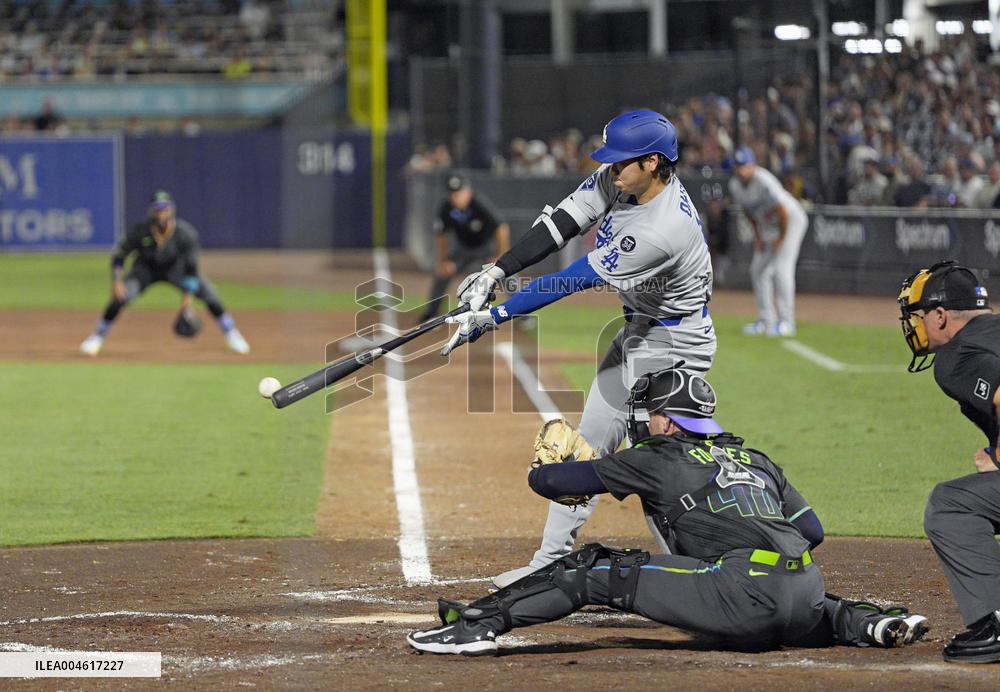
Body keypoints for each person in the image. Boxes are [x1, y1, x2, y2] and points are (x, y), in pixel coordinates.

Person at [407, 369, 928, 656]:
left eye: (651, 415)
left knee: (590, 568)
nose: (644, 423)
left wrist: (541, 466)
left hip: (741, 597)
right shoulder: (754, 457)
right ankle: (870, 624)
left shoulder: (658, 456)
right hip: (806, 593)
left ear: (671, 422)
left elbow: (554, 483)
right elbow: (810, 532)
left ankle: (477, 626)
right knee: (797, 592)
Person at [441, 110, 716, 588]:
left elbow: (574, 277)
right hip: (640, 333)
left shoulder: (662, 227)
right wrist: (496, 271)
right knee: (588, 448)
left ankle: (700, 576)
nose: (611, 170)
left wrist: (496, 315)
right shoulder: (626, 180)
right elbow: (561, 224)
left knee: (662, 463)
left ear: (653, 162)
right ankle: (548, 563)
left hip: (675, 343)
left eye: (621, 162)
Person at [898, 261, 1000, 663]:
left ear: (940, 315)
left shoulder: (958, 354)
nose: (915, 325)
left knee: (951, 505)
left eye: (919, 315)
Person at [79, 191, 250, 356]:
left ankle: (231, 333)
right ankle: (97, 336)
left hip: (176, 270)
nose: (161, 213)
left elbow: (191, 269)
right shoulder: (141, 231)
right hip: (144, 270)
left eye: (165, 208)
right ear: (151, 211)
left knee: (209, 294)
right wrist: (117, 282)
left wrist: (187, 303)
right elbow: (119, 255)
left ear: (172, 210)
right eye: (158, 208)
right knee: (120, 297)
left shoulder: (185, 234)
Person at [727, 146, 807, 337]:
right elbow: (748, 212)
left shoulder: (764, 180)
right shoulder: (735, 185)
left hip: (791, 220)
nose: (741, 170)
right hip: (769, 225)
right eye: (738, 166)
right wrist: (760, 237)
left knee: (781, 269)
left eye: (745, 166)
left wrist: (780, 239)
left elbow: (782, 211)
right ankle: (766, 320)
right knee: (758, 269)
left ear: (753, 166)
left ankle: (787, 322)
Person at [417, 175, 510, 323]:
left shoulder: (478, 203)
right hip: (463, 250)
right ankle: (431, 314)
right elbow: (441, 235)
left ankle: (522, 314)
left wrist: (501, 255)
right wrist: (444, 261)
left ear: (468, 192)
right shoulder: (447, 207)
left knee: (507, 272)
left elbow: (502, 228)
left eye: (459, 193)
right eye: (453, 194)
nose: (456, 198)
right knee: (443, 273)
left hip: (485, 248)